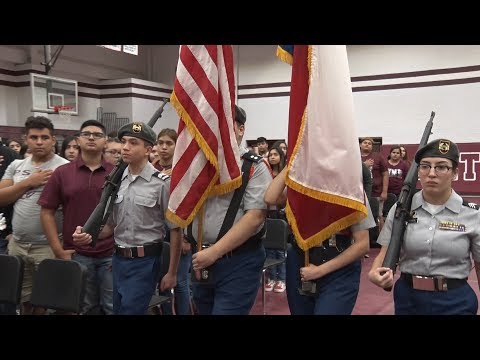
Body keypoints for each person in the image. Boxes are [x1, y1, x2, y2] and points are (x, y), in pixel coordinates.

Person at [72, 121, 182, 315]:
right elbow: (111, 225)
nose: (125, 147)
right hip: (118, 259)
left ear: (148, 149)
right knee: (119, 309)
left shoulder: (161, 184)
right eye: (124, 141)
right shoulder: (117, 182)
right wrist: (88, 234)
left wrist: (172, 272)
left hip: (146, 261)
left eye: (133, 142)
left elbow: (175, 229)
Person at [368, 139, 480, 315]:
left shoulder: (473, 214)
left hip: (456, 301)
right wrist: (376, 271)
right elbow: (385, 252)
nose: (431, 173)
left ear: (455, 173)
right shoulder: (401, 209)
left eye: (441, 167)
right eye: (425, 166)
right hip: (408, 299)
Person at [188, 105, 272, 315]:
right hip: (200, 257)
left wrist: (214, 252)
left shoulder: (254, 166)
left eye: (225, 123)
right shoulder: (196, 164)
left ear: (241, 129)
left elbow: (255, 217)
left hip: (238, 260)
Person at [264, 166, 376, 315]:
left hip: (338, 268)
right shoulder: (300, 186)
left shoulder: (352, 190)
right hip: (300, 262)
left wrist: (319, 271)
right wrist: (293, 161)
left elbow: (362, 245)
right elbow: (270, 198)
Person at [38, 120, 115, 315]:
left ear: (105, 142)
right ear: (78, 140)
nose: (91, 137)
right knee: (83, 308)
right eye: (86, 134)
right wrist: (58, 249)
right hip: (76, 253)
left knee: (112, 307)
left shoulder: (116, 173)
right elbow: (47, 211)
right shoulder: (62, 173)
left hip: (111, 254)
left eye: (97, 135)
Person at [0, 116, 69, 315]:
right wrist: (29, 182)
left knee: (46, 300)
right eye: (34, 137)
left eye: (44, 137)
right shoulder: (17, 166)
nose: (39, 142)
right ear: (26, 139)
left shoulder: (63, 167)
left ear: (53, 139)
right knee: (24, 299)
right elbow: (2, 198)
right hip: (19, 244)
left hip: (48, 245)